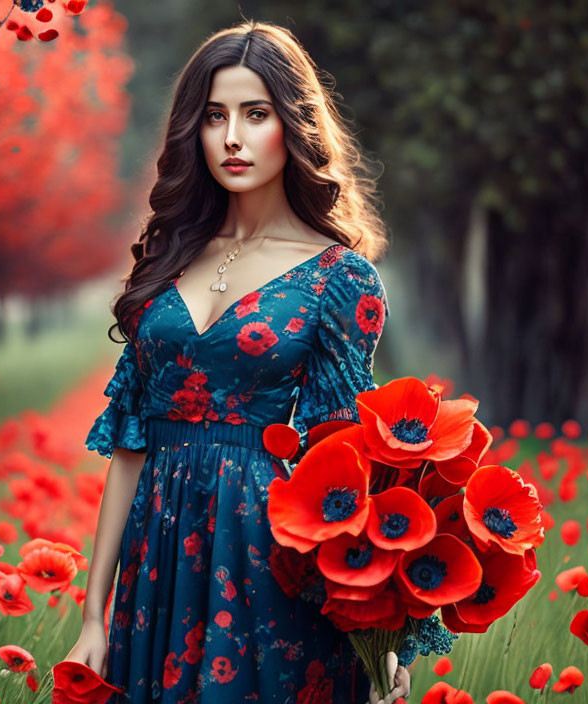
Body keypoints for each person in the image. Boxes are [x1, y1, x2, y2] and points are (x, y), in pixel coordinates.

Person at [65, 20, 413, 704]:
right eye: (214, 115)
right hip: (155, 558)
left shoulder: (338, 278)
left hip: (264, 553)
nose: (232, 137)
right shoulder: (168, 259)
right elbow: (130, 447)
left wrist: (385, 637)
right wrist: (91, 615)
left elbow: (345, 455)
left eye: (256, 115)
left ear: (294, 124)